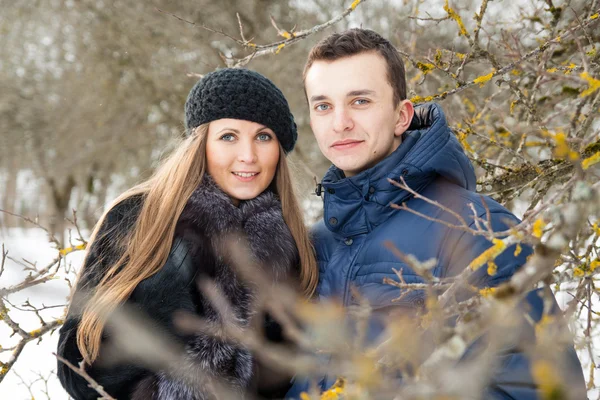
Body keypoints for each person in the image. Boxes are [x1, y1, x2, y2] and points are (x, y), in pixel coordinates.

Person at [286, 28, 586, 399]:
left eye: (360, 101)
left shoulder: (476, 228)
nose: (340, 122)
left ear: (401, 116)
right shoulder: (314, 245)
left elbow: (543, 389)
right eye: (323, 105)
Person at [56, 68, 318, 399]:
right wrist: (161, 313)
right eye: (228, 136)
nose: (248, 155)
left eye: (263, 137)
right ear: (200, 143)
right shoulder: (140, 218)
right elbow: (74, 372)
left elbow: (288, 380)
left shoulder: (292, 245)